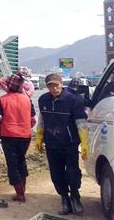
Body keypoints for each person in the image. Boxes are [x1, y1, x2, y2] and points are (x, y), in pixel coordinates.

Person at [36, 73, 90, 215]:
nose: (54, 88)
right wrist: (39, 136)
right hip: (52, 144)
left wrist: (84, 142)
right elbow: (41, 119)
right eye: (50, 86)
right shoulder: (43, 100)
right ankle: (64, 199)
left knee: (72, 172)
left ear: (61, 84)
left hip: (70, 143)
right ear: (47, 87)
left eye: (56, 85)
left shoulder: (74, 100)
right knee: (56, 174)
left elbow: (81, 122)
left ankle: (75, 197)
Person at [0, 74, 36, 202]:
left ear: (9, 86)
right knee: (21, 160)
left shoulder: (3, 100)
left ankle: (20, 194)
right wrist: (27, 127)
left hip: (8, 135)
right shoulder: (27, 99)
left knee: (12, 164)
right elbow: (33, 119)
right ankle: (22, 189)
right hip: (25, 136)